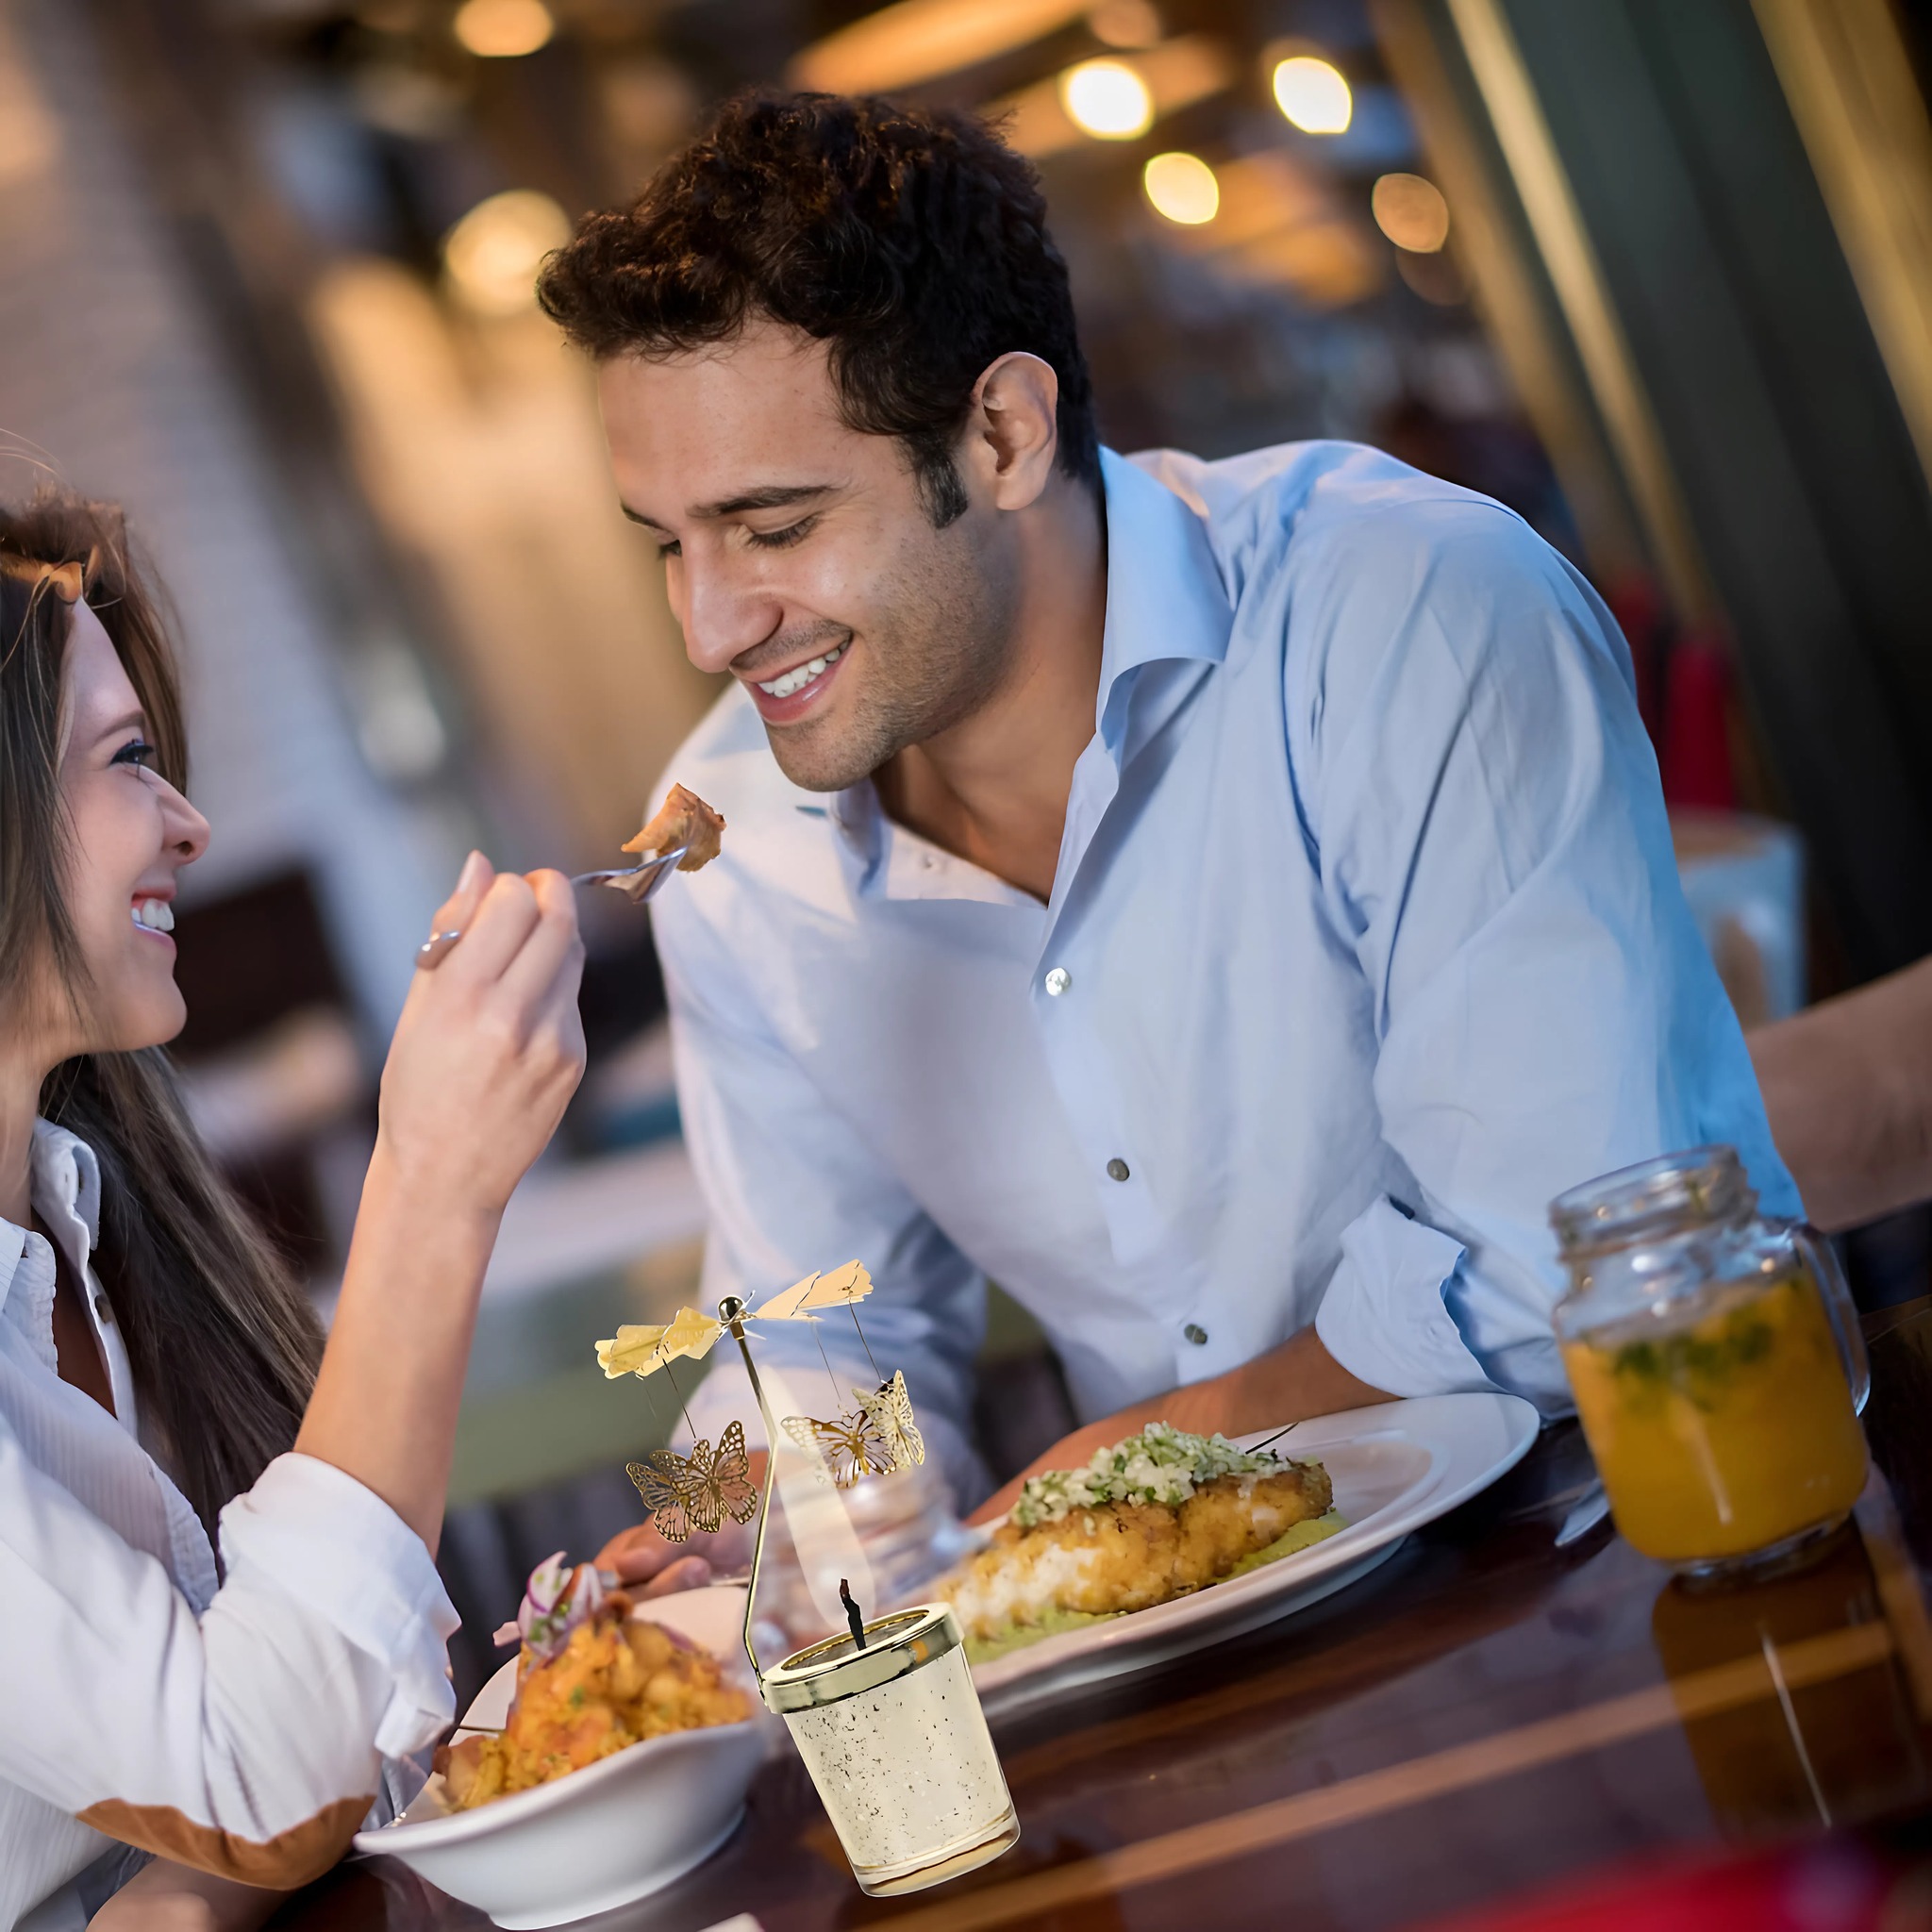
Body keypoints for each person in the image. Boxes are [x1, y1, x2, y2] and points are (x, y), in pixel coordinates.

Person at [534, 92, 1797, 1578]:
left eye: (772, 526)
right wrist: (729, 1528)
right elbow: (834, 1337)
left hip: (1644, 1536)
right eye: (667, 543)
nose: (705, 625)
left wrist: (1133, 1462)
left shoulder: (1405, 611)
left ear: (1002, 432)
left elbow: (1562, 1255)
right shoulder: (736, 856)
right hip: (1189, 1662)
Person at [0, 492, 606, 1931]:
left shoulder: (82, 1232)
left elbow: (273, 1790)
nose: (191, 825)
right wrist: (430, 1182)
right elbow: (264, 1788)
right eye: (130, 760)